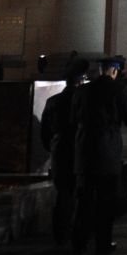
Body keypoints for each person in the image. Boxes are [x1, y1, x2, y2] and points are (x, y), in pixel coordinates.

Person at [71, 56, 127, 253]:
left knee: (83, 199)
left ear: (101, 70)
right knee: (105, 200)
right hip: (108, 151)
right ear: (115, 71)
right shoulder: (119, 89)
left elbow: (72, 118)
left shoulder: (82, 90)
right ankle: (103, 242)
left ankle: (79, 241)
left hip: (84, 150)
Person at [40, 58, 87, 242]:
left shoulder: (53, 101)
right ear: (80, 80)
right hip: (78, 149)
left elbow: (44, 131)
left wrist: (52, 147)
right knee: (80, 192)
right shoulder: (83, 101)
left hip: (59, 149)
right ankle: (78, 232)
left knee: (62, 193)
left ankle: (59, 232)